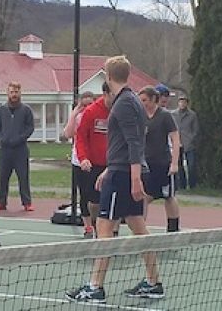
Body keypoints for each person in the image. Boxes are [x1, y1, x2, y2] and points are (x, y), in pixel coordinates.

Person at [66, 55, 163, 304]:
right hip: (118, 172)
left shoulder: (125, 103)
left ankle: (95, 287)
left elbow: (133, 142)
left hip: (124, 176)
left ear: (108, 76)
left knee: (104, 226)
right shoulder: (128, 101)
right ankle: (153, 282)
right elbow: (126, 143)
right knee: (138, 227)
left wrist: (133, 179)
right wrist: (109, 170)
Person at [75, 83, 118, 238]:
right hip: (94, 164)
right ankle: (95, 226)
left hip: (114, 164)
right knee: (94, 201)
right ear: (105, 94)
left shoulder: (120, 110)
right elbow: (80, 137)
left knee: (115, 199)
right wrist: (83, 158)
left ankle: (114, 232)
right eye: (113, 94)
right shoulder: (91, 112)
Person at [138, 86, 181, 232]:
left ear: (152, 100)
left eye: (144, 100)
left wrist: (174, 163)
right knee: (144, 197)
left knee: (169, 196)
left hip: (163, 163)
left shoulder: (164, 116)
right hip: (146, 164)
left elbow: (175, 139)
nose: (142, 103)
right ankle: (140, 230)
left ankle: (173, 229)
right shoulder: (141, 116)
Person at [0, 82, 35, 211]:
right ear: (8, 93)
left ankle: (27, 202)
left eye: (16, 92)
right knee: (3, 177)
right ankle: (1, 202)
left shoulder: (26, 110)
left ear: (20, 93)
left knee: (23, 177)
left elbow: (30, 128)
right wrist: (1, 137)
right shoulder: (1, 110)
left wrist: (20, 138)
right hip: (4, 149)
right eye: (12, 92)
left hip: (20, 149)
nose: (14, 94)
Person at [63, 90, 95, 237]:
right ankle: (88, 226)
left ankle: (99, 224)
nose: (87, 107)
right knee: (84, 194)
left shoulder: (97, 117)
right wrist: (74, 114)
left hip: (95, 160)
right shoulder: (77, 117)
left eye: (90, 104)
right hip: (79, 161)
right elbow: (68, 134)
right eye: (84, 104)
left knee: (96, 194)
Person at [172, 95, 199, 189]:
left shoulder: (192, 115)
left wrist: (191, 139)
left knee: (191, 165)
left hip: (189, 143)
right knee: (179, 166)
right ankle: (181, 185)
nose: (182, 104)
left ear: (187, 103)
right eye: (180, 102)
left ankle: (192, 185)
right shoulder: (173, 114)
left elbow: (195, 130)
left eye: (184, 102)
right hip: (177, 143)